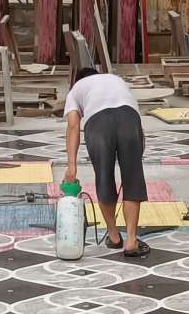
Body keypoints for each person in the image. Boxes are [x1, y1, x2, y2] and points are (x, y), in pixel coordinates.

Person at [62, 69, 150, 257]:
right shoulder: (115, 79)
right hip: (129, 118)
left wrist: (71, 166)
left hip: (98, 123)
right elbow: (136, 120)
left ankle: (114, 236)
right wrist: (136, 153)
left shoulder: (76, 89)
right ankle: (131, 241)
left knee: (104, 177)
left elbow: (73, 125)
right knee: (132, 179)